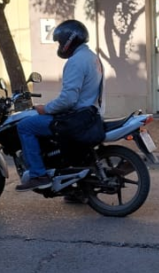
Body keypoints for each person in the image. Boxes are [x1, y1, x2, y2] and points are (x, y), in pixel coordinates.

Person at [14, 20, 103, 191]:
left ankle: (38, 175)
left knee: (25, 126)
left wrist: (45, 108)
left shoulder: (76, 61)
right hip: (89, 114)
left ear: (70, 40)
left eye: (61, 42)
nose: (60, 46)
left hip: (76, 117)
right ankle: (73, 188)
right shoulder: (92, 57)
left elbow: (68, 99)